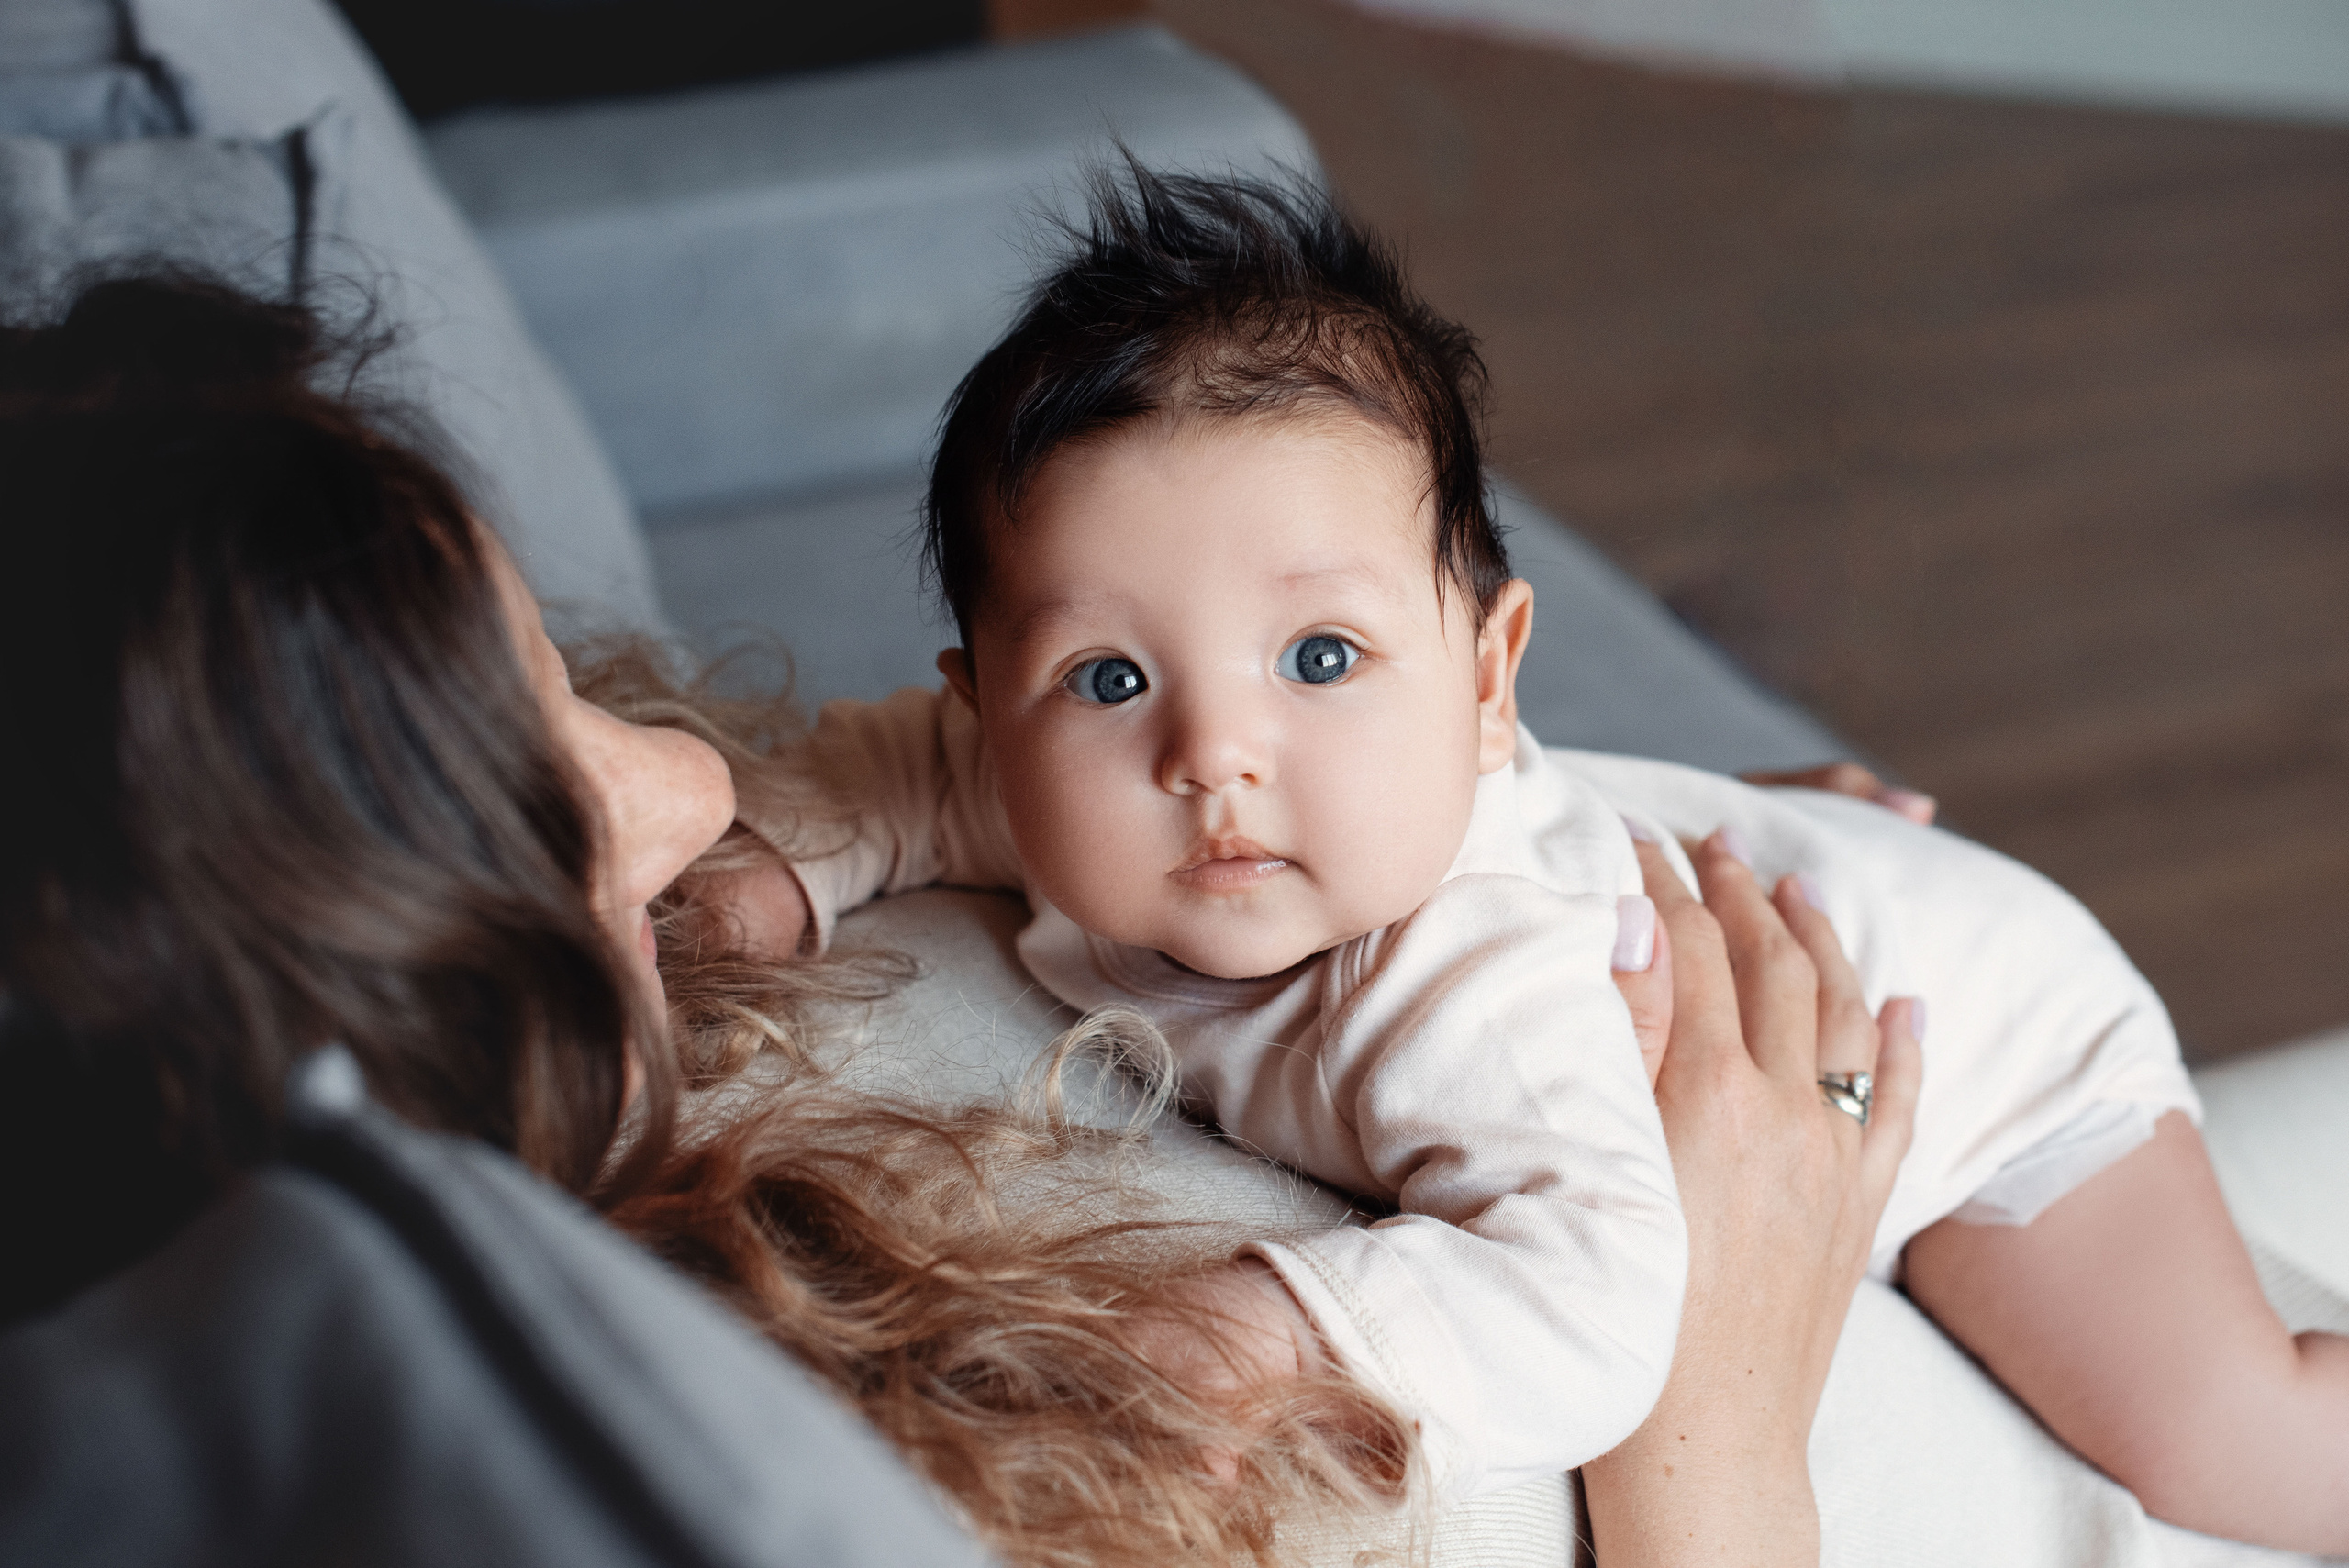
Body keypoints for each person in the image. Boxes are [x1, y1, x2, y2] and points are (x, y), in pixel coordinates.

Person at [739, 165, 2349, 1552]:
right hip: (1804, 910)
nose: (1211, 755)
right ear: (997, 706)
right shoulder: (1037, 789)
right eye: (1110, 678)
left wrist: (1288, 1327)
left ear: (1491, 678)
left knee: (2218, 1432)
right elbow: (898, 767)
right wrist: (781, 871)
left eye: (1318, 658)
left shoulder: (1467, 986)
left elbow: (1593, 1302)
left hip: (1988, 1037)